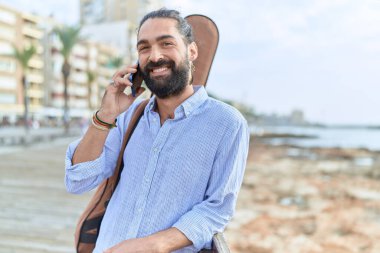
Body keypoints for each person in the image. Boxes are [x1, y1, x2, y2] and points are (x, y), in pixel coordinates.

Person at [65, 8, 249, 253]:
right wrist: (105, 116)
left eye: (166, 43)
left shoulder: (227, 123)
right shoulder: (129, 116)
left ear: (192, 51)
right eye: (144, 48)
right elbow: (77, 181)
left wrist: (153, 245)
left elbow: (217, 209)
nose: (155, 56)